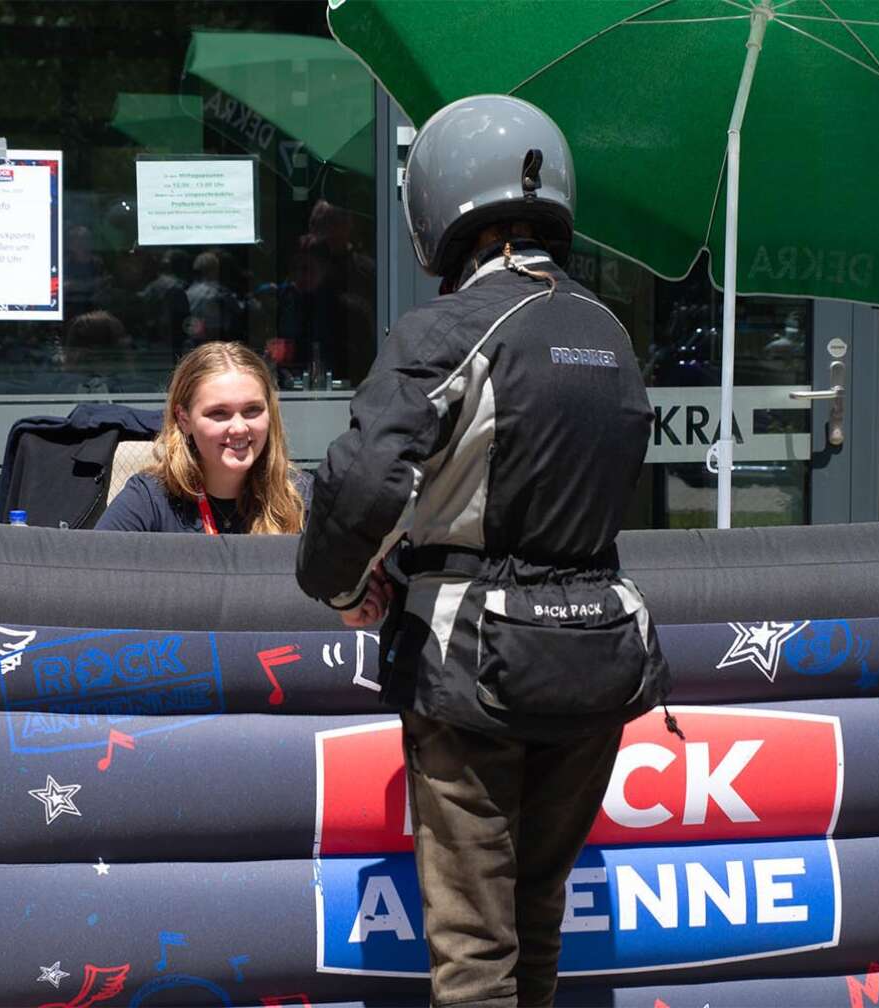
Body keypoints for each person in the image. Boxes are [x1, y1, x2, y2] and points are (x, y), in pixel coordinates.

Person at [296, 95, 673, 1008]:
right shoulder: (613, 334)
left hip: (474, 666)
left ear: (437, 208)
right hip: (598, 658)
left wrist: (339, 585)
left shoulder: (446, 331)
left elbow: (361, 483)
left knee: (473, 944)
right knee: (538, 917)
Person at [96, 340, 309, 534]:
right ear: (184, 419)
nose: (239, 428)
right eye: (219, 413)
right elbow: (91, 569)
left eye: (252, 410)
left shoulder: (301, 496)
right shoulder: (149, 499)